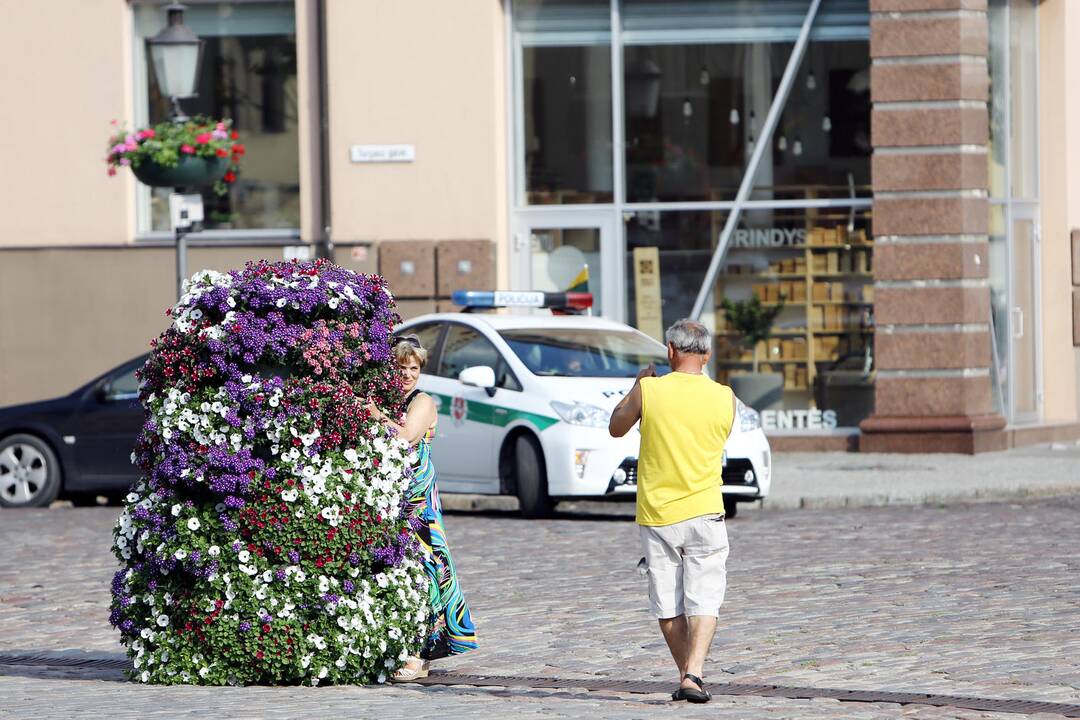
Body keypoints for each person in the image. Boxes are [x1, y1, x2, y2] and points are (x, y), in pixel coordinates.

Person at [608, 318, 736, 704]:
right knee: (705, 598)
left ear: (670, 351)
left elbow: (616, 427)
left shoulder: (649, 390)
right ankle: (693, 675)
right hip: (706, 510)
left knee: (667, 603)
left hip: (659, 514)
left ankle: (688, 675)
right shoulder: (725, 396)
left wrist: (637, 387)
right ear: (708, 355)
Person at [367, 334, 478, 681]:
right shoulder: (387, 398)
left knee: (427, 570)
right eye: (401, 367)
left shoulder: (422, 401)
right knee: (399, 571)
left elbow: (406, 437)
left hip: (417, 498)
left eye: (413, 368)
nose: (408, 374)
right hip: (391, 496)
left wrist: (374, 414)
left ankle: (421, 652)